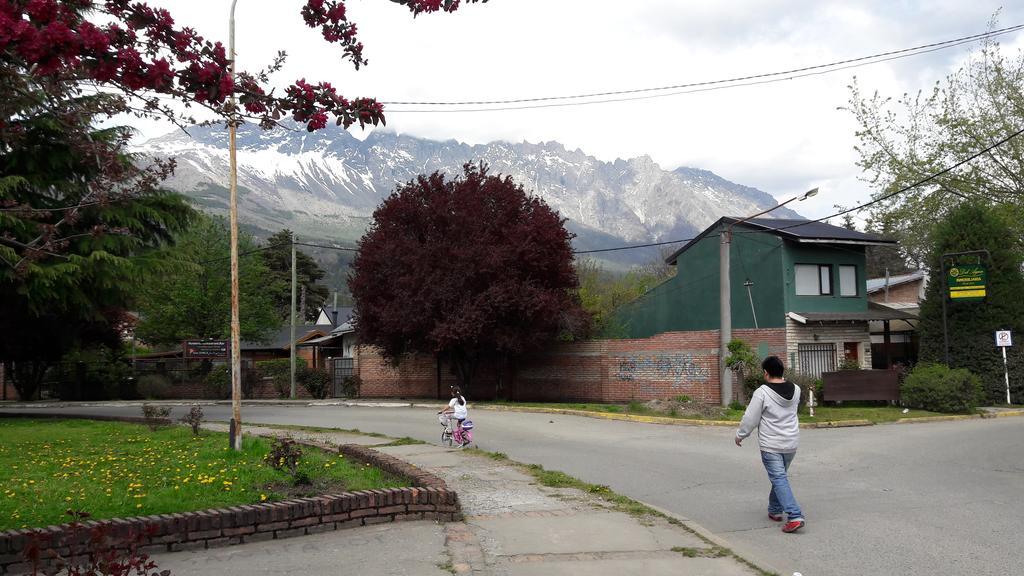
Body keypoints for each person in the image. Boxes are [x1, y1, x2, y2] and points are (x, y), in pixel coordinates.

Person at [735, 355, 805, 533]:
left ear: (766, 373)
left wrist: (740, 435)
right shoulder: (796, 389)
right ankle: (774, 510)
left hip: (771, 444)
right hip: (791, 443)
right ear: (782, 371)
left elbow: (751, 418)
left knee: (779, 478)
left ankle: (795, 515)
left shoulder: (762, 392)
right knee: (779, 477)